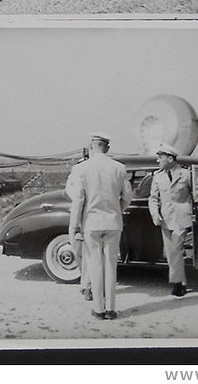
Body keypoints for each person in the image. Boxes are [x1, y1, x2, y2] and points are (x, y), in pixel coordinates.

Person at [68, 132, 132, 320]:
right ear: (108, 148)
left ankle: (99, 309)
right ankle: (111, 309)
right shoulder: (119, 168)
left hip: (91, 222)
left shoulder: (82, 168)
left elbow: (78, 199)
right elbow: (128, 196)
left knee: (95, 265)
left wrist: (75, 225)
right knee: (111, 265)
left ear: (91, 146)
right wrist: (117, 210)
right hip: (113, 222)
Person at [148, 144, 193, 298]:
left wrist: (191, 211)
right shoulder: (157, 176)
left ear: (170, 158)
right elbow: (153, 198)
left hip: (181, 218)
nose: (157, 160)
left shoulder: (186, 174)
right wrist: (155, 214)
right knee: (170, 253)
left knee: (175, 250)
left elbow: (196, 194)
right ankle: (182, 281)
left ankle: (178, 283)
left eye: (160, 157)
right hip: (165, 219)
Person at [65, 157, 91, 302]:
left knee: (86, 255)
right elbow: (70, 191)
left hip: (83, 218)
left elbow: (77, 197)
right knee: (79, 252)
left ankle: (87, 286)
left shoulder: (83, 174)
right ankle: (85, 282)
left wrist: (75, 225)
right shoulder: (76, 173)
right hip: (78, 215)